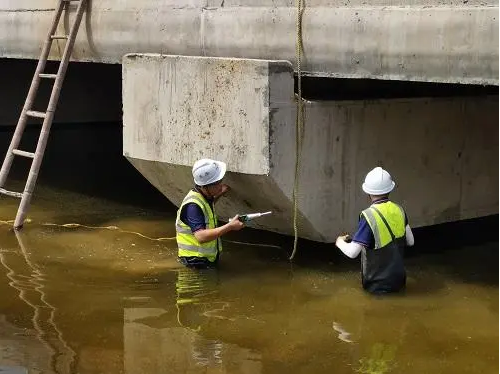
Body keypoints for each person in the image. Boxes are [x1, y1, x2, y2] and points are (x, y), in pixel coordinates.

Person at [335, 167, 415, 294]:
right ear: (390, 189)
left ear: (368, 192)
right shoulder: (399, 210)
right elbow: (411, 242)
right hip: (399, 283)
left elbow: (352, 253)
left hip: (377, 288)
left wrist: (339, 242)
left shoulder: (369, 217)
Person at [175, 158, 244, 268]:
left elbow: (207, 206)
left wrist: (220, 193)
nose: (220, 185)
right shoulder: (193, 206)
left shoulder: (203, 196)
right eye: (217, 184)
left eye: (220, 181)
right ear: (205, 186)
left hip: (204, 259)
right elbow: (201, 236)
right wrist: (230, 226)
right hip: (195, 262)